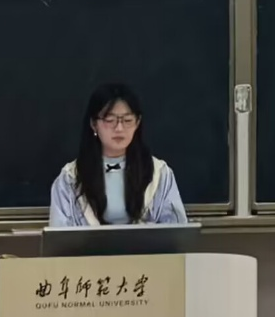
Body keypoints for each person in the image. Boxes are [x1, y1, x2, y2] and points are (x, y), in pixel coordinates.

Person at [49, 83, 188, 226]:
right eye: (110, 120)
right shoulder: (71, 178)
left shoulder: (159, 174)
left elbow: (177, 230)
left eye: (127, 120)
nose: (119, 128)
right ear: (94, 124)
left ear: (137, 123)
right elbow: (60, 233)